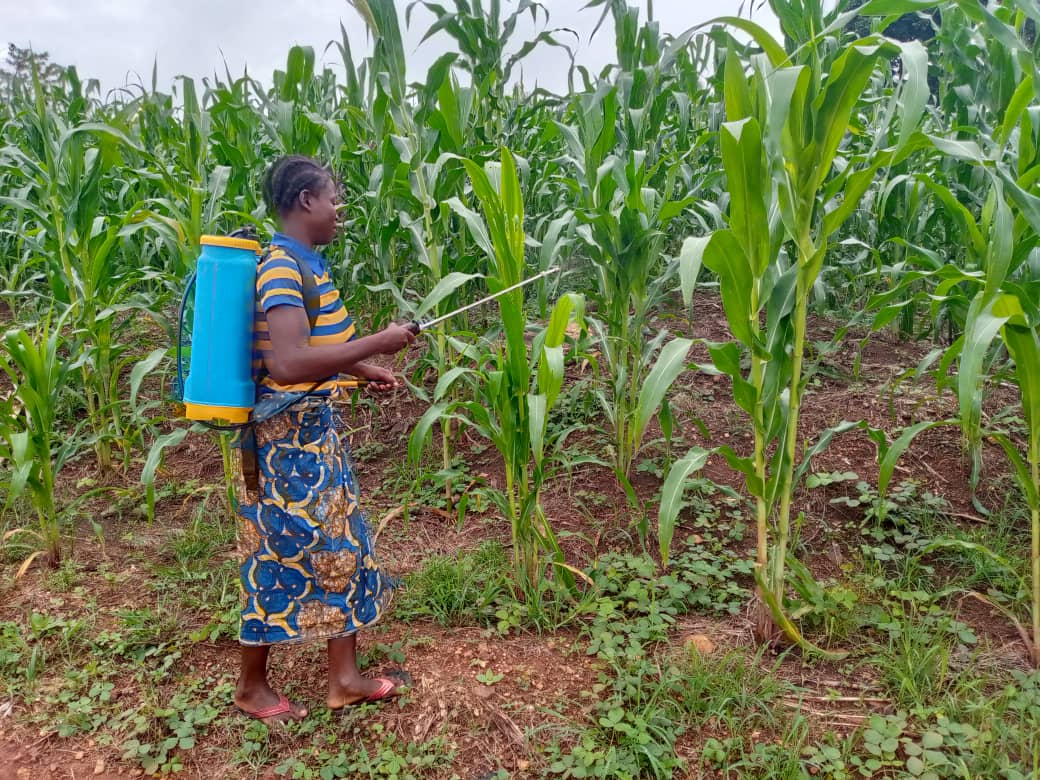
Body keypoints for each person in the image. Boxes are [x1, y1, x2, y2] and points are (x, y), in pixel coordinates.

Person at [231, 155, 416, 724]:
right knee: (276, 555)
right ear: (306, 200)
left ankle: (343, 679)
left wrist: (366, 369)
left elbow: (315, 344)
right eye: (333, 198)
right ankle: (249, 687)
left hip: (314, 437)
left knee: (343, 550)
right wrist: (376, 344)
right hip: (284, 447)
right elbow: (286, 362)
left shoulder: (306, 266)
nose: (338, 211)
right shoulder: (282, 268)